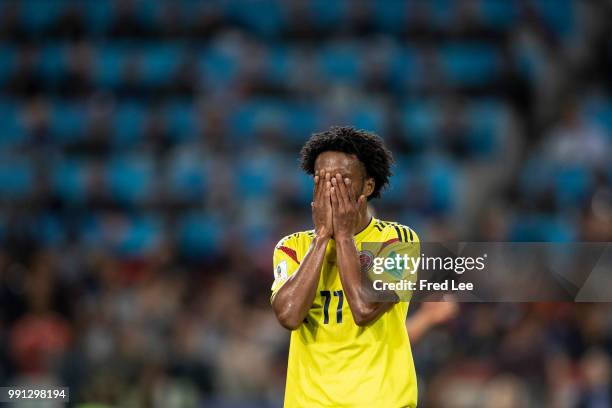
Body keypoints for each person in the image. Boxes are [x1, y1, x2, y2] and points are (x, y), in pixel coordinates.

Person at [271, 126, 421, 407]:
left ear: (368, 186)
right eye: (323, 180)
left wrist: (342, 236)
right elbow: (289, 315)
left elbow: (364, 309)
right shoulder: (291, 247)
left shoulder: (397, 241)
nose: (331, 190)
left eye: (341, 180)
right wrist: (321, 238)